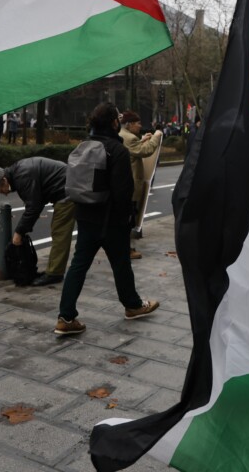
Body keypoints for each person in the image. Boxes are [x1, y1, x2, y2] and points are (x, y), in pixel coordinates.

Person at [55, 103, 159, 335]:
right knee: (121, 264)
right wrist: (128, 220)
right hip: (111, 219)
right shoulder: (117, 150)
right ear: (114, 123)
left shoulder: (84, 146)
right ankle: (132, 305)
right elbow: (123, 191)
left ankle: (65, 317)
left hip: (85, 216)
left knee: (78, 266)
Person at [0, 157, 74, 286]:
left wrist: (19, 232)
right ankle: (61, 270)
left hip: (67, 191)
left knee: (60, 232)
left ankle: (55, 274)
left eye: (0, 189)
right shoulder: (18, 173)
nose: (3, 193)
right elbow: (35, 201)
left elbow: (33, 207)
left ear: (4, 180)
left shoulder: (22, 176)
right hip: (68, 185)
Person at [119, 110, 163, 260]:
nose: (140, 126)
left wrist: (142, 139)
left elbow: (134, 149)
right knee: (129, 219)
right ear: (130, 124)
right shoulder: (130, 137)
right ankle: (127, 250)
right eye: (138, 123)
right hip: (130, 185)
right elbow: (146, 151)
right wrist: (156, 136)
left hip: (122, 185)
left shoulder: (123, 135)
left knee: (125, 218)